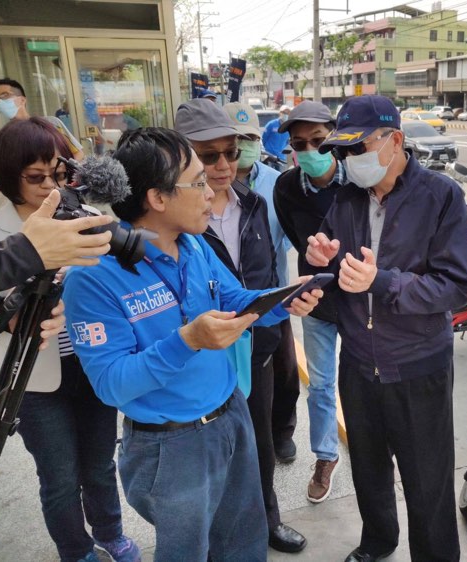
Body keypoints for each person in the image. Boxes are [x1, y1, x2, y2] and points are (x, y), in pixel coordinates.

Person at [62, 127, 321, 562]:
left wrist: (282, 300)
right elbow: (110, 384)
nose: (212, 190)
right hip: (171, 445)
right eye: (198, 181)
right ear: (157, 198)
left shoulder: (194, 244)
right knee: (188, 553)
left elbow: (232, 300)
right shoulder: (93, 276)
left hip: (231, 415)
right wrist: (186, 341)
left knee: (243, 540)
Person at [305, 95, 467, 562]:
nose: (348, 161)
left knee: (427, 480)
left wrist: (383, 282)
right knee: (369, 469)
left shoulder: (440, 197)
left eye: (357, 149)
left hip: (418, 367)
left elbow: (455, 286)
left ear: (394, 141)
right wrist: (318, 262)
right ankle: (378, 542)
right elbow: (337, 268)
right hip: (358, 363)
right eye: (341, 152)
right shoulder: (348, 198)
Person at [0, 117, 140, 562]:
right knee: (58, 475)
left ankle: (111, 533)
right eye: (35, 177)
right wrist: (9, 314)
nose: (49, 187)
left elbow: (119, 286)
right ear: (7, 175)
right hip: (32, 377)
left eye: (57, 174)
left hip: (92, 365)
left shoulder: (89, 220)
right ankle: (76, 551)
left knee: (98, 464)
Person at [174, 99, 306, 554]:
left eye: (231, 152)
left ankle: (267, 519)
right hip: (203, 357)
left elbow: (266, 274)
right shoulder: (179, 221)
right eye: (209, 156)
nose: (225, 165)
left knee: (260, 446)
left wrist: (283, 310)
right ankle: (213, 536)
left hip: (259, 347)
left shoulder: (254, 203)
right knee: (211, 460)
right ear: (183, 156)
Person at [273, 100, 345, 502]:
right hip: (316, 300)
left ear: (334, 139)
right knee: (320, 384)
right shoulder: (286, 187)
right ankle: (325, 455)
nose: (311, 152)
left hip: (362, 300)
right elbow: (297, 240)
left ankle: (374, 449)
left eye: (319, 141)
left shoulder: (359, 181)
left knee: (368, 379)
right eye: (301, 144)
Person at [223, 101, 300, 464]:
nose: (245, 145)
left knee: (284, 372)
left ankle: (283, 432)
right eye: (238, 139)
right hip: (229, 305)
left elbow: (288, 237)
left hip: (274, 297)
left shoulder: (275, 183)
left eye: (251, 137)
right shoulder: (210, 189)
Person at [0, 189, 112, 293]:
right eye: (35, 177)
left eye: (60, 174)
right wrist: (27, 252)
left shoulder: (88, 215)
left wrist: (7, 320)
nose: (48, 183)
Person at [0, 78, 84, 159]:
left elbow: (78, 153)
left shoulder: (51, 124)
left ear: (22, 100)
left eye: (5, 95)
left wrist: (60, 172)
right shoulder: (5, 137)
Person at [261, 104, 291, 170]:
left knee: (279, 176)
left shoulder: (288, 127)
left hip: (280, 157)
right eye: (284, 112)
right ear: (280, 113)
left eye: (288, 113)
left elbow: (287, 141)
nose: (286, 114)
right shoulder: (271, 124)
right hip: (269, 156)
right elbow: (264, 138)